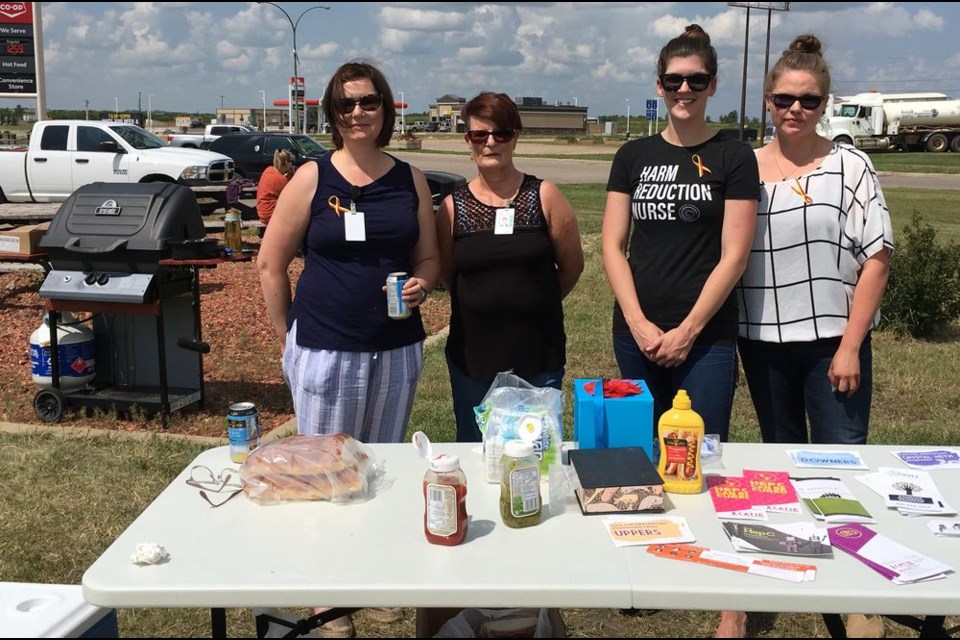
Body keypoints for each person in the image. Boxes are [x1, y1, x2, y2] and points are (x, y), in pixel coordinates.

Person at [257, 60, 439, 638]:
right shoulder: (312, 177)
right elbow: (269, 263)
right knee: (324, 474)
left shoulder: (409, 178)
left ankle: (375, 579)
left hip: (395, 349)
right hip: (326, 349)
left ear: (385, 108)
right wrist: (288, 337)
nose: (358, 113)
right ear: (332, 114)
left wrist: (422, 284)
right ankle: (326, 598)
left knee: (379, 469)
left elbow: (429, 259)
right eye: (346, 104)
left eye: (368, 102)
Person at [735, 34, 894, 639]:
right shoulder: (744, 168)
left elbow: (876, 257)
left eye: (808, 99)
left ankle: (857, 593)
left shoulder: (851, 165)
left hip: (833, 343)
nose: (794, 109)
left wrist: (851, 344)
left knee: (840, 462)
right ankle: (794, 562)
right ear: (767, 102)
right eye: (784, 98)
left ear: (825, 103)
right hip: (762, 339)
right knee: (781, 458)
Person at [600, 23, 758, 445]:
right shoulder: (632, 155)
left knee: (698, 458)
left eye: (696, 80)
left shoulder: (735, 156)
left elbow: (735, 256)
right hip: (637, 335)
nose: (684, 88)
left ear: (712, 86)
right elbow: (613, 246)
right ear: (660, 85)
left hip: (705, 339)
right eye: (674, 80)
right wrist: (638, 324)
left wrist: (687, 331)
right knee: (638, 453)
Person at [436, 91, 584, 442]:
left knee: (538, 457)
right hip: (473, 360)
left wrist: (534, 300)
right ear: (467, 141)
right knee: (477, 456)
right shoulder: (452, 208)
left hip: (537, 356)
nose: (490, 143)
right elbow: (448, 274)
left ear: (515, 137)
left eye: (500, 134)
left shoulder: (545, 195)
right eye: (479, 135)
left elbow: (571, 267)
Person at [255, 148, 295, 234]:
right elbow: (293, 194)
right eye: (291, 161)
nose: (292, 163)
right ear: (286, 162)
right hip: (270, 215)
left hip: (263, 211)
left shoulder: (269, 171)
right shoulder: (280, 179)